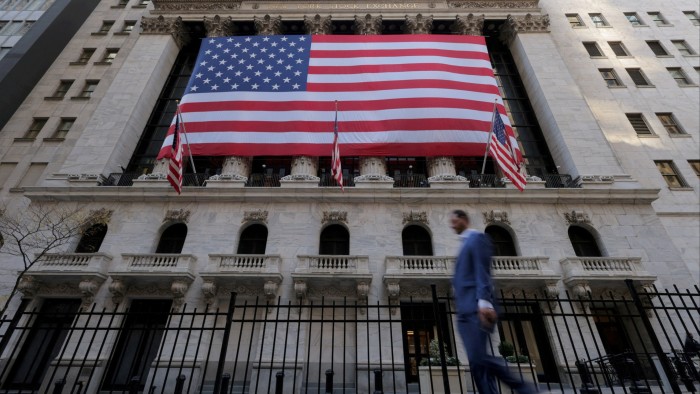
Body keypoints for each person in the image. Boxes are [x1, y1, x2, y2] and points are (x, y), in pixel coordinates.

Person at [450, 209, 536, 394]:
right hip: (464, 310)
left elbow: (483, 271)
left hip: (476, 307)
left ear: (464, 219)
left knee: (479, 357)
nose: (452, 224)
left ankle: (526, 389)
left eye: (455, 221)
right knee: (476, 363)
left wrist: (484, 303)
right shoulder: (464, 244)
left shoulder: (477, 239)